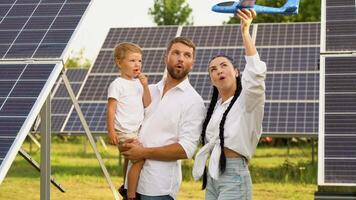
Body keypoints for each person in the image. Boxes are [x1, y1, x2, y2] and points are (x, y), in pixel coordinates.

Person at [192, 9, 266, 200]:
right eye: (213, 69)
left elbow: (256, 75)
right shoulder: (214, 108)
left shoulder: (248, 100)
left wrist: (245, 33)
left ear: (237, 72)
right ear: (211, 80)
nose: (218, 70)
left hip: (234, 173)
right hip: (213, 173)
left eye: (224, 65)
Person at [120, 37, 206, 200]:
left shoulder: (194, 101)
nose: (181, 58)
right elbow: (128, 122)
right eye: (176, 53)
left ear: (192, 63)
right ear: (166, 57)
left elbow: (186, 149)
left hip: (158, 188)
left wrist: (143, 152)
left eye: (187, 55)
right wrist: (125, 145)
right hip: (130, 184)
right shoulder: (148, 90)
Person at [106, 42, 151, 200]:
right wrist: (111, 131)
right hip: (123, 131)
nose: (137, 64)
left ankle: (125, 187)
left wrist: (145, 86)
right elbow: (111, 108)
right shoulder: (117, 84)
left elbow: (147, 103)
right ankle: (131, 195)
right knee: (139, 159)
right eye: (132, 60)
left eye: (139, 61)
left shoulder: (139, 84)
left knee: (129, 158)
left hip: (135, 130)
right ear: (119, 63)